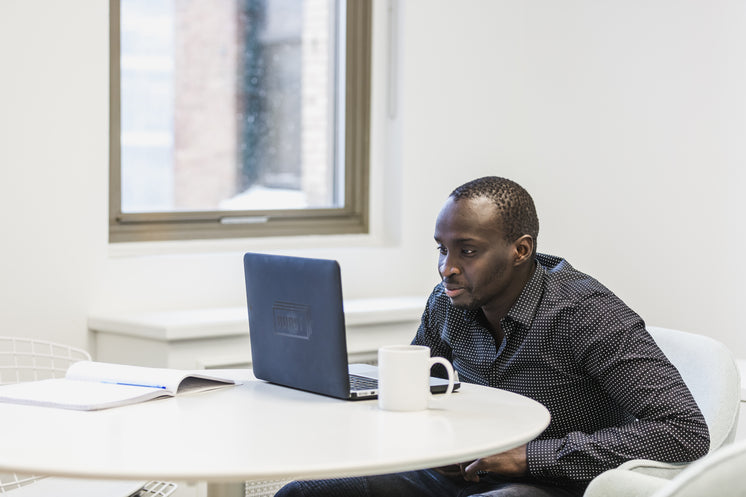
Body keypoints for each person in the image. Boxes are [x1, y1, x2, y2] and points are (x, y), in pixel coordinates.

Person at [275, 176, 709, 497]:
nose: (447, 266)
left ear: (520, 250)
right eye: (441, 249)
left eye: (467, 250)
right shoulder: (449, 299)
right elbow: (419, 388)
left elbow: (685, 429)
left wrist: (526, 457)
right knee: (300, 493)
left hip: (550, 483)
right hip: (455, 470)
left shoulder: (586, 313)